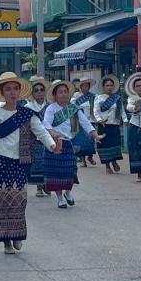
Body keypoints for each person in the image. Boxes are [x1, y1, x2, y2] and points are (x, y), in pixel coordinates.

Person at [0, 72, 57, 254]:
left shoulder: (27, 114)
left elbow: (41, 132)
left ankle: (17, 233)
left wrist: (52, 145)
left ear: (20, 91)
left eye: (15, 89)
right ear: (2, 93)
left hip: (19, 162)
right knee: (0, 203)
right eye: (8, 89)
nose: (12, 92)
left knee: (19, 198)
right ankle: (5, 240)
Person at [43, 80, 102, 209]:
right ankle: (60, 199)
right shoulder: (51, 108)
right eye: (60, 92)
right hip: (54, 144)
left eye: (65, 92)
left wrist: (95, 135)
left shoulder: (74, 108)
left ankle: (68, 192)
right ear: (55, 95)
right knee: (56, 173)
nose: (64, 94)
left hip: (67, 143)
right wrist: (51, 131)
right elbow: (46, 123)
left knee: (71, 170)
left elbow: (85, 122)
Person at [94, 74, 127, 174]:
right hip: (104, 125)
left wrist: (125, 120)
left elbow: (121, 110)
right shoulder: (99, 98)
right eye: (107, 85)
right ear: (104, 87)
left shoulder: (117, 98)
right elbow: (96, 111)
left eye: (111, 85)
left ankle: (114, 161)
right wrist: (99, 120)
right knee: (105, 145)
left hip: (114, 124)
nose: (109, 87)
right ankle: (107, 165)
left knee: (115, 144)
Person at [25, 76, 50, 197]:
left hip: (49, 137)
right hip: (34, 139)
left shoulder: (50, 106)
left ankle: (47, 184)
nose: (39, 92)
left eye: (41, 90)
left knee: (48, 162)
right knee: (37, 162)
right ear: (32, 93)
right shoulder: (28, 107)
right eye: (36, 90)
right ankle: (39, 187)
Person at [71, 78, 97, 167]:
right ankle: (83, 160)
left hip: (90, 120)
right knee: (82, 141)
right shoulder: (75, 96)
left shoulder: (93, 96)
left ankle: (90, 157)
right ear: (80, 87)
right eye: (84, 86)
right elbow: (72, 106)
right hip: (80, 122)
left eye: (87, 86)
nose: (85, 88)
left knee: (91, 141)